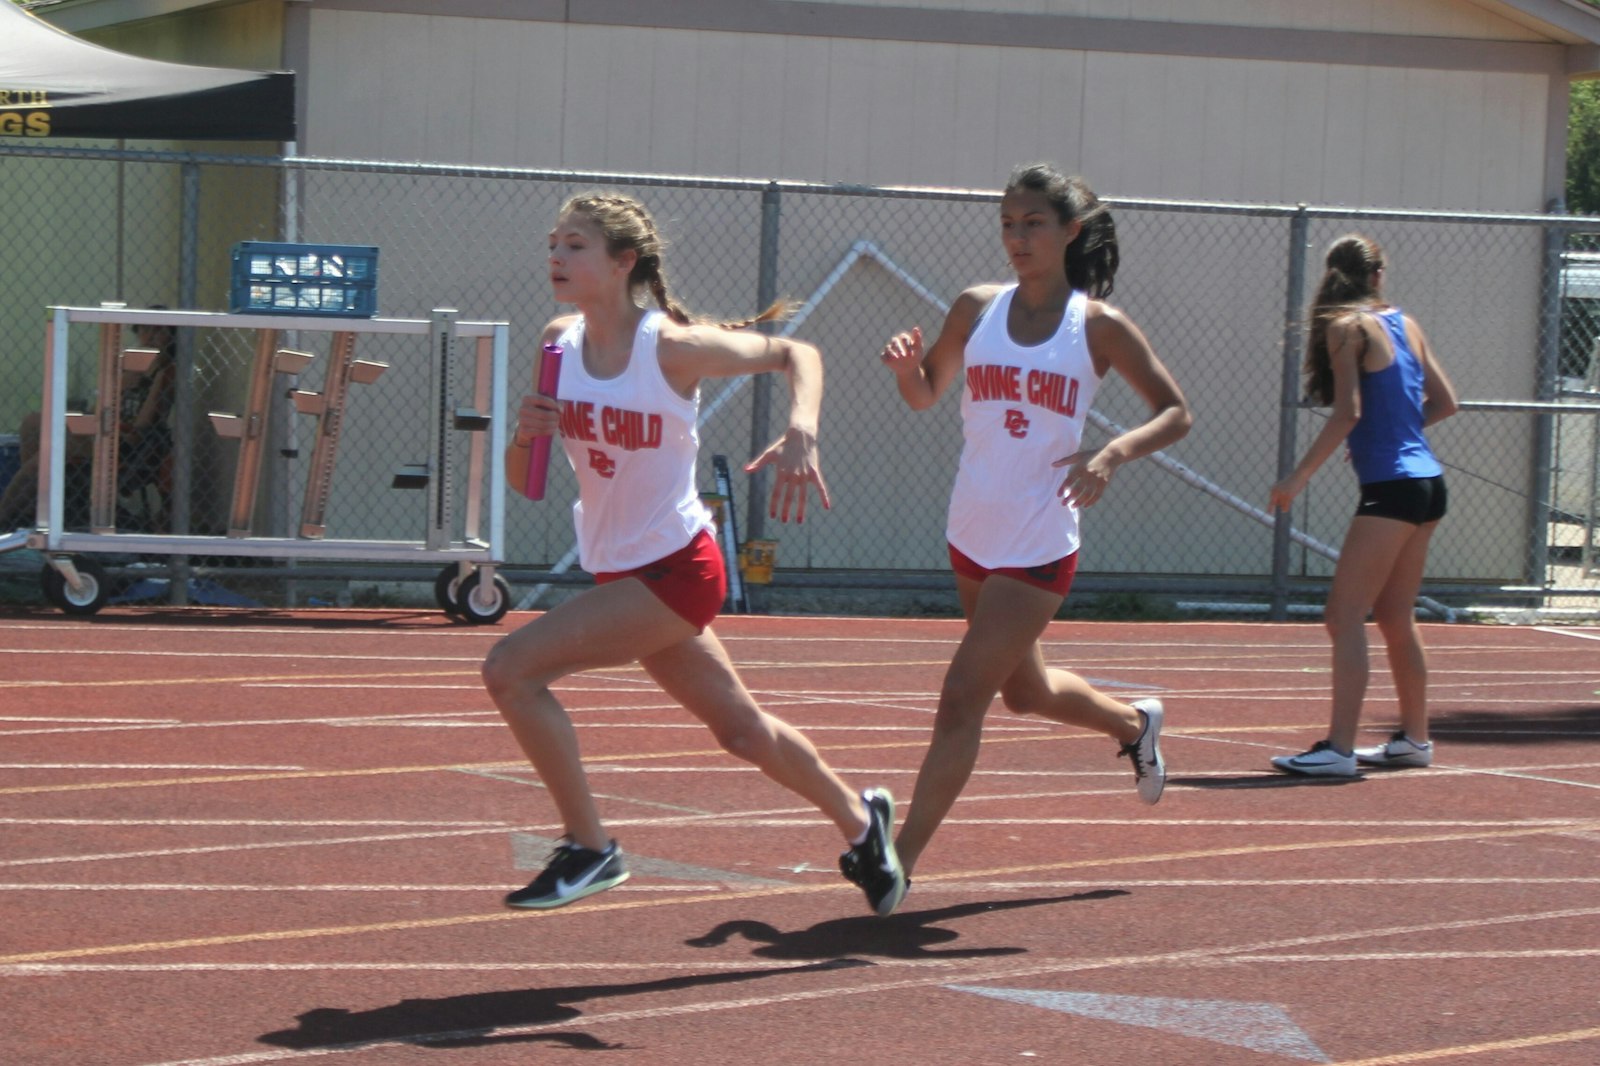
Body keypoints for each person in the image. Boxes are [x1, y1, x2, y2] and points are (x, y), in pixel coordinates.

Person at [482, 192, 907, 916]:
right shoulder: (557, 343)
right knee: (742, 731)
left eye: (576, 244)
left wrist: (803, 429)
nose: (556, 255)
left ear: (623, 262)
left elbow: (795, 351)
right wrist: (525, 434)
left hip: (678, 571)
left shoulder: (670, 348)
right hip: (621, 569)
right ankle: (862, 824)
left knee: (511, 671)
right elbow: (526, 483)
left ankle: (591, 847)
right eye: (553, 241)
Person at [878, 163, 1193, 883]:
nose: (1017, 238)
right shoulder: (975, 307)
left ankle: (898, 860)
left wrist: (1113, 453)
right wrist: (905, 372)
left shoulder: (1097, 327)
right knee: (1024, 692)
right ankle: (1132, 724)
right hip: (972, 527)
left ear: (1070, 232)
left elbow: (1176, 411)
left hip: (1041, 537)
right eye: (1008, 224)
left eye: (1033, 224)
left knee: (963, 698)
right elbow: (928, 394)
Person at [1268, 235, 1459, 777]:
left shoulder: (1344, 327)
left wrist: (1297, 476)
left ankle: (1339, 748)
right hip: (1429, 484)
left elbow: (1347, 412)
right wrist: (1397, 431)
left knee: (1343, 614)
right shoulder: (1406, 323)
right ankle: (1415, 740)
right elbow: (1446, 402)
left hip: (1393, 488)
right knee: (1397, 615)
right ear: (1377, 276)